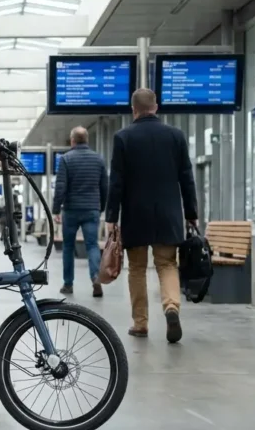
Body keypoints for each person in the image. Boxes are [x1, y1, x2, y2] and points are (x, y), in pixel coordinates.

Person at [106, 88, 198, 343]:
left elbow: (117, 182)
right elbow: (186, 179)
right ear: (156, 107)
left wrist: (111, 217)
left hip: (136, 214)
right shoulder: (175, 136)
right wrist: (191, 213)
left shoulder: (123, 137)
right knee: (167, 264)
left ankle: (140, 323)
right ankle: (171, 307)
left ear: (133, 109)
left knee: (136, 268)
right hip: (169, 214)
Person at [53, 126, 108, 298]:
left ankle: (68, 284)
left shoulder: (66, 159)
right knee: (92, 245)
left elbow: (61, 187)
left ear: (72, 141)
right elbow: (104, 186)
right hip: (91, 209)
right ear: (87, 140)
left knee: (68, 247)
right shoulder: (98, 159)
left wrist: (56, 209)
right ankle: (95, 278)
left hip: (71, 210)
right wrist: (102, 207)